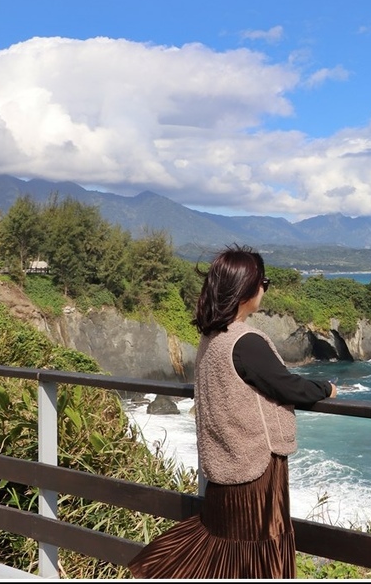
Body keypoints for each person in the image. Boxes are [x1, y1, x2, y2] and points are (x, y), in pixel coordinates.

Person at [127, 244, 336, 579]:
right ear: (245, 290)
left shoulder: (212, 338)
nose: (264, 289)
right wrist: (326, 389)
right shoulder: (245, 340)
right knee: (257, 551)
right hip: (254, 470)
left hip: (225, 465)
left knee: (226, 550)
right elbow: (288, 385)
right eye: (262, 282)